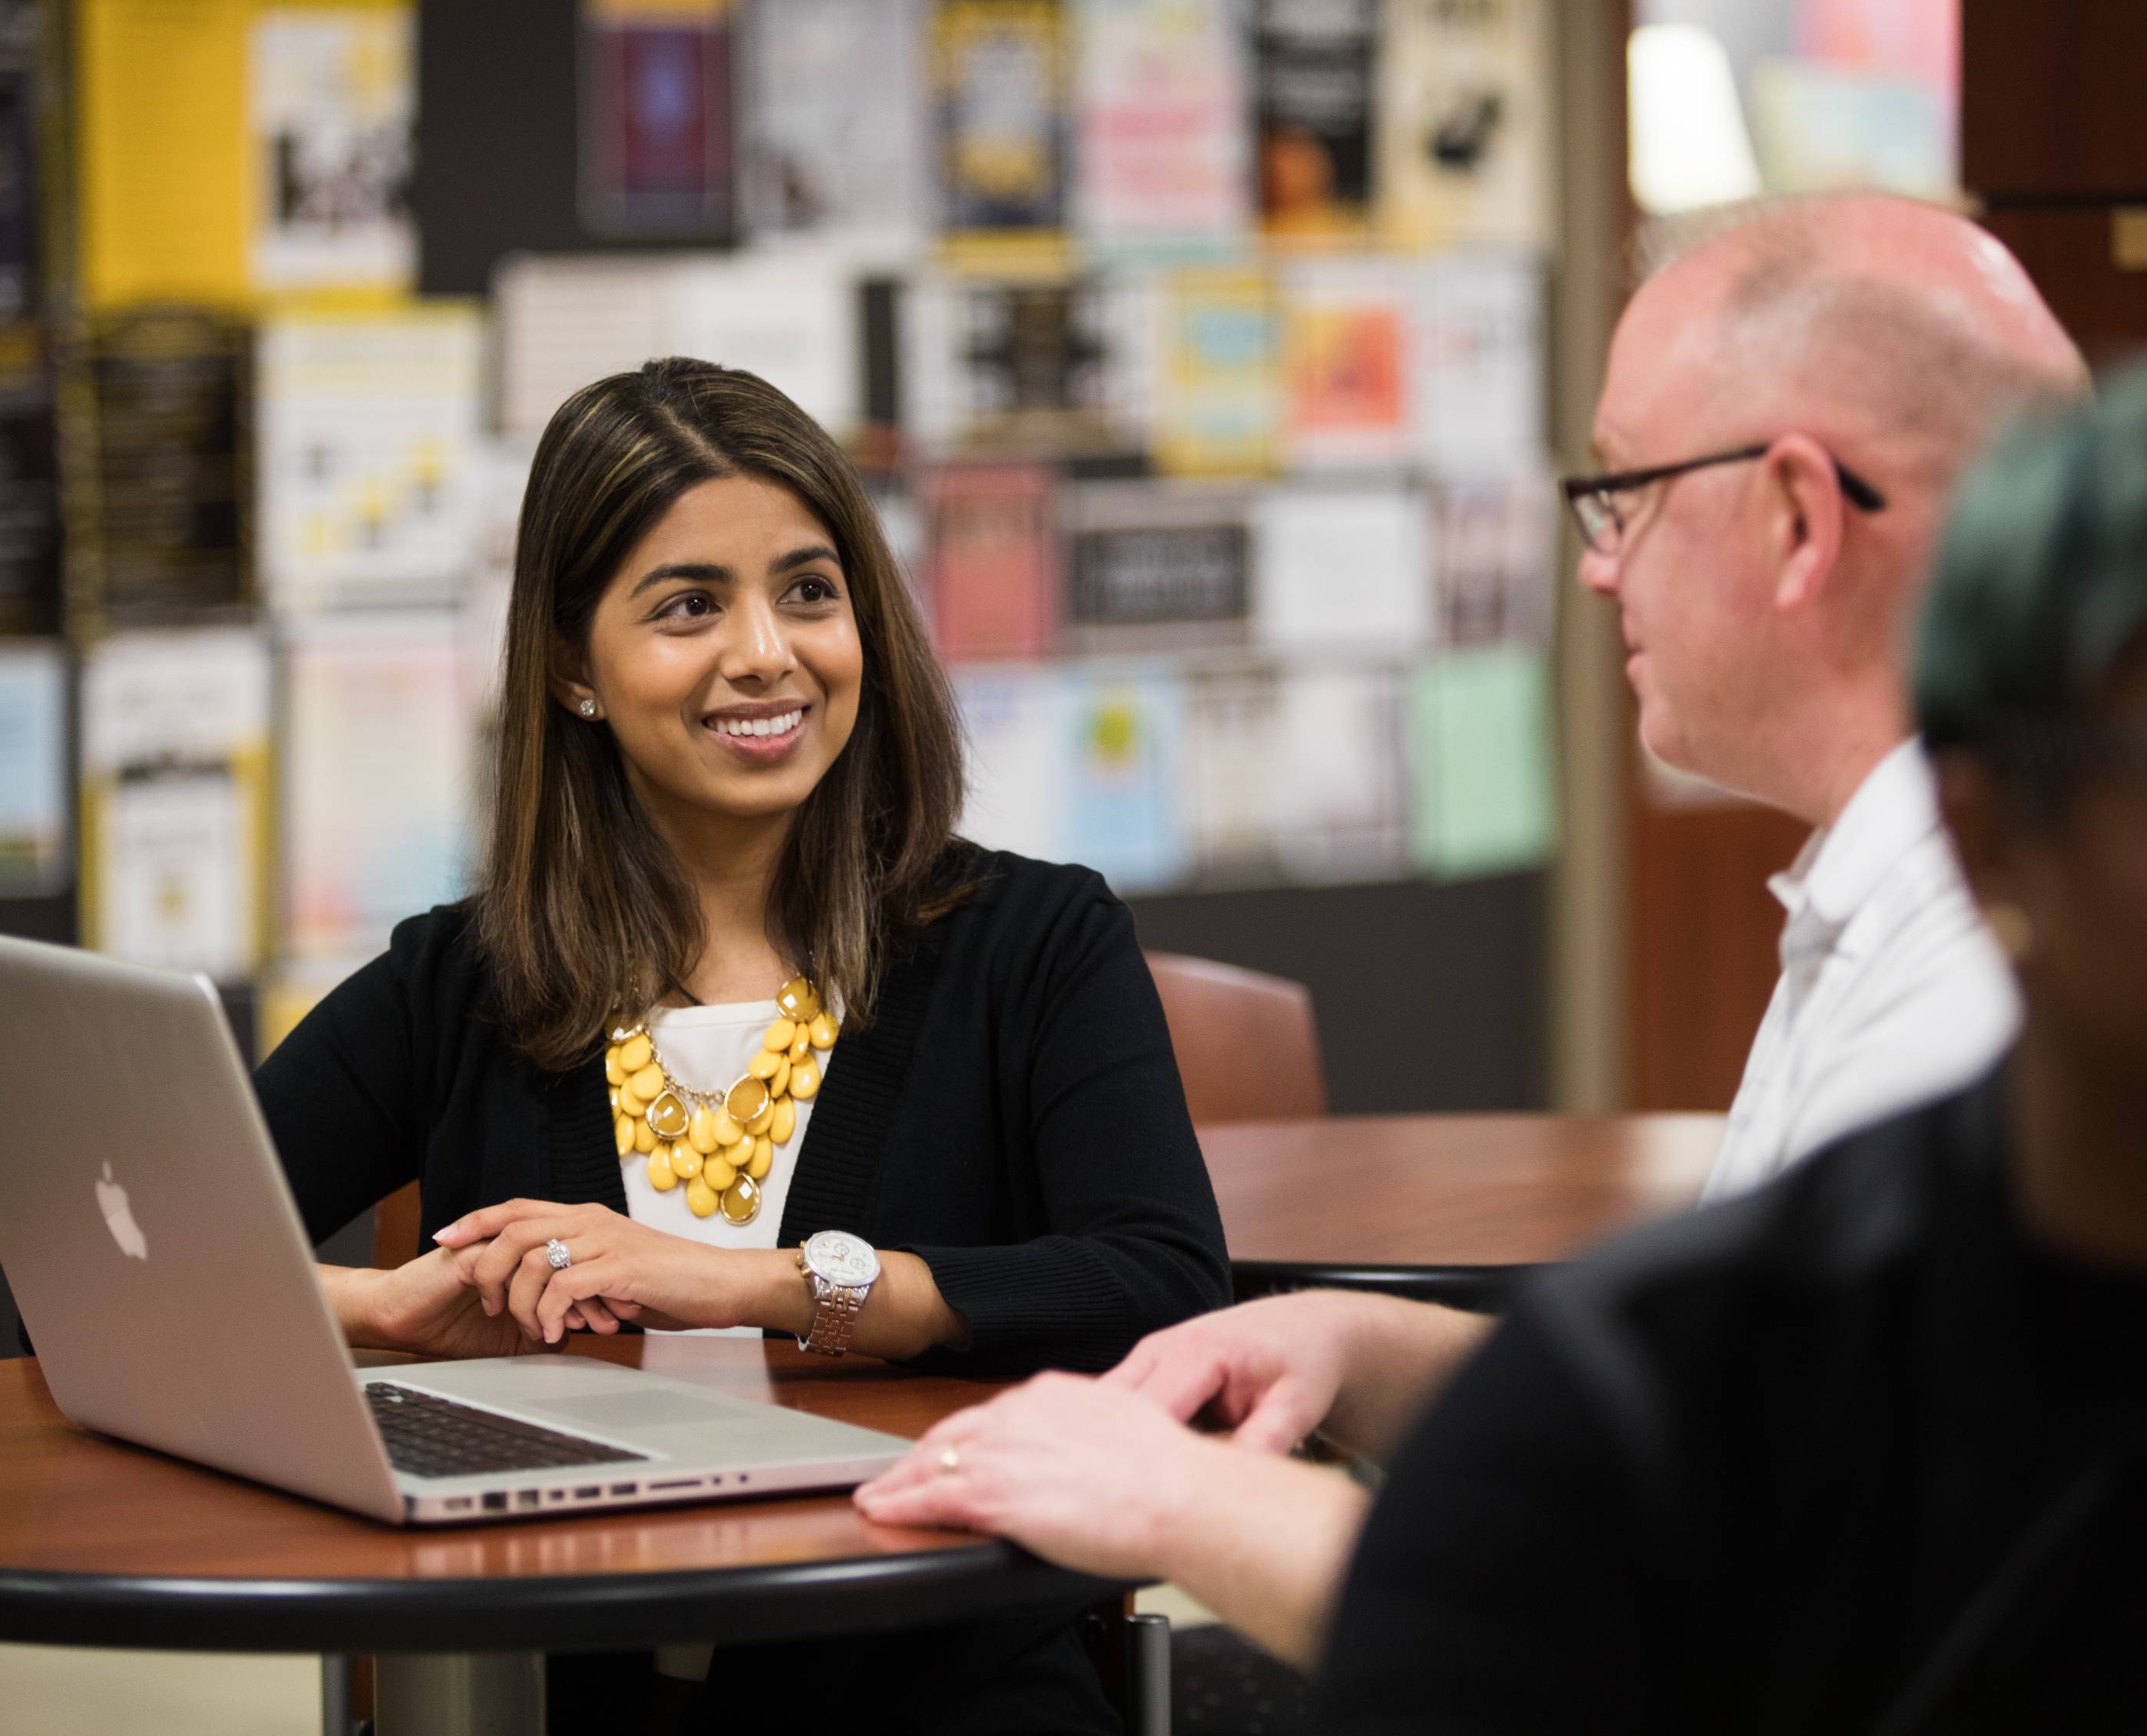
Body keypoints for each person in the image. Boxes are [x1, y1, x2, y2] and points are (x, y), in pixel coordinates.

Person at [862, 362, 2147, 1734]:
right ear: (1994, 826)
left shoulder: (1947, 1002)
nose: (1596, 576)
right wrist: (1366, 1347)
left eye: (1629, 495)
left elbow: (1697, 1632)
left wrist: (1191, 1500)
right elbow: (1729, 1452)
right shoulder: (1908, 1071)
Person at [252, 356, 1229, 1734]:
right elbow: (115, 1290)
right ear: (571, 665)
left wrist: (762, 1284)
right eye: (689, 604)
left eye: (809, 590)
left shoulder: (1035, 941)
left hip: (946, 1693)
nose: (767, 651)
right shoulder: (456, 981)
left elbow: (1166, 1283)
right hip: (570, 1698)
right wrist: (388, 1314)